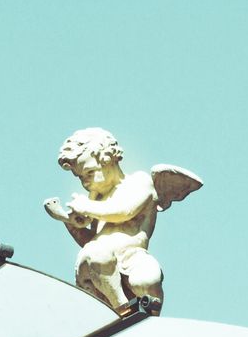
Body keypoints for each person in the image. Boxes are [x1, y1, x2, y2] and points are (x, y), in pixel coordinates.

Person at [44, 128, 200, 311]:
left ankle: (150, 317)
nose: (86, 183)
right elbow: (91, 240)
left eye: (89, 173)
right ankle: (121, 307)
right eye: (80, 178)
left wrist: (87, 207)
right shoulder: (96, 198)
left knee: (147, 280)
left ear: (107, 159)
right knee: (95, 251)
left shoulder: (139, 182)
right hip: (97, 264)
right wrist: (67, 220)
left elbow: (124, 211)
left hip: (133, 254)